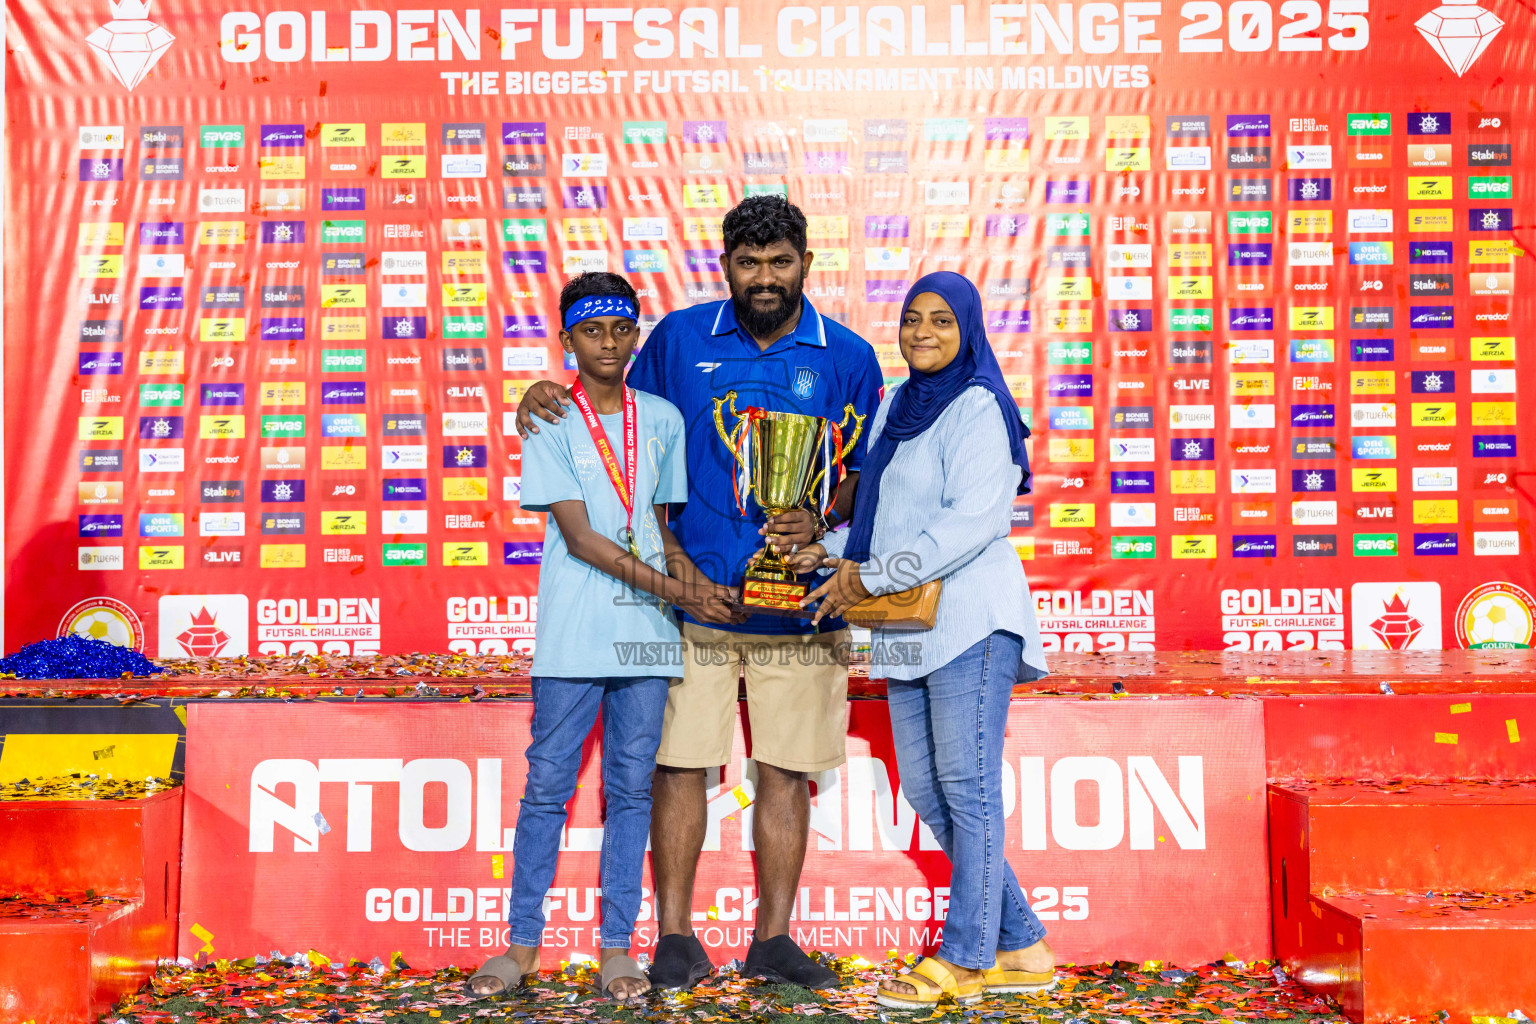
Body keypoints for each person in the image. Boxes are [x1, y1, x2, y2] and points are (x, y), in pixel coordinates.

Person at [515, 196, 884, 990]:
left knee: (786, 769)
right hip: (692, 600)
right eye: (748, 263)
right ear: (724, 266)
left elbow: (863, 475)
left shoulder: (849, 355)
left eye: (780, 262)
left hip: (802, 604)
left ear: (806, 266)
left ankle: (774, 938)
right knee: (679, 766)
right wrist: (539, 394)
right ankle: (675, 935)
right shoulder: (678, 340)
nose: (764, 278)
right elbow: (614, 415)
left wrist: (820, 511)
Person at [469, 273, 738, 1003]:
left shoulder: (661, 419)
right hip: (573, 633)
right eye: (593, 331)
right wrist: (676, 589)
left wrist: (699, 591)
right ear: (568, 342)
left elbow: (657, 530)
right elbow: (584, 539)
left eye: (622, 329)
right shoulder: (550, 419)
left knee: (628, 793)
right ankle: (522, 945)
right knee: (547, 790)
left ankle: (617, 948)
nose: (609, 343)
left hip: (647, 638)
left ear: (636, 334)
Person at [790, 271, 1056, 1008]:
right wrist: (833, 554)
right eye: (912, 320)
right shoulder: (894, 408)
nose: (924, 333)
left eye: (941, 320)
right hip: (907, 625)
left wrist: (866, 578)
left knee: (968, 792)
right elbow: (882, 519)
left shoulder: (979, 406)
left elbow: (971, 524)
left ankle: (968, 958)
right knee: (929, 792)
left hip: (971, 621)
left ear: (967, 328)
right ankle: (1025, 945)